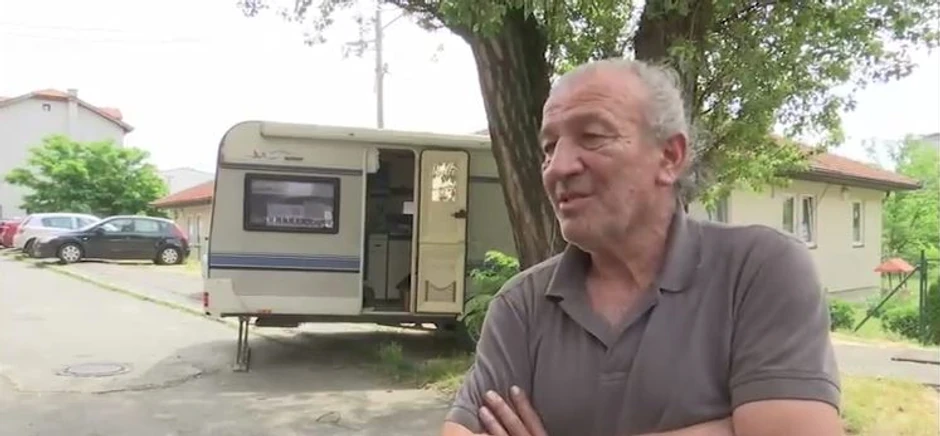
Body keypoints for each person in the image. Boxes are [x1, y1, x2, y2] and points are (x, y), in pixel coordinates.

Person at [440, 58, 843, 436]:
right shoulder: (520, 307)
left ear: (669, 157)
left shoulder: (758, 270)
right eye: (549, 148)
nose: (558, 167)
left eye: (592, 137)